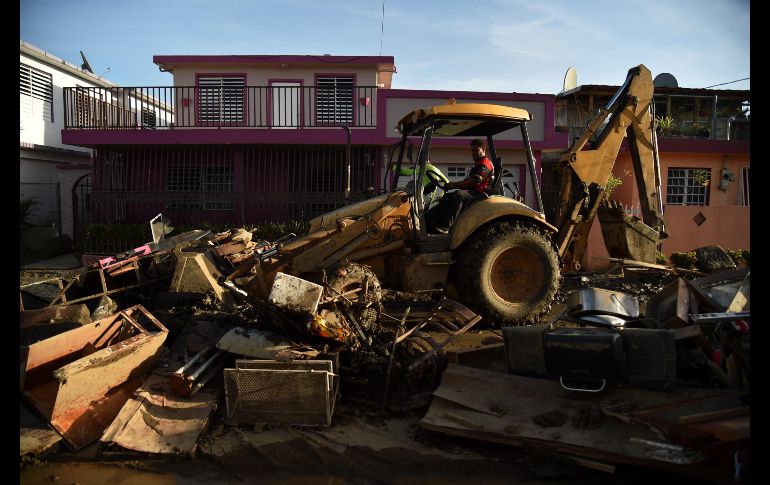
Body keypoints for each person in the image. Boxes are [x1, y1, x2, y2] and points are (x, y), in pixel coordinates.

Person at [426, 138, 494, 234]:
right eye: (472, 150)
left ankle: (445, 227)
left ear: (483, 150)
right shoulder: (477, 165)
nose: (473, 153)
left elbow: (474, 181)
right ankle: (433, 222)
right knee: (447, 196)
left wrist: (454, 185)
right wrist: (451, 185)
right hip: (474, 192)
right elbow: (467, 182)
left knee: (458, 195)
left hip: (481, 193)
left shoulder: (485, 164)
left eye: (476, 150)